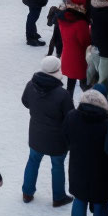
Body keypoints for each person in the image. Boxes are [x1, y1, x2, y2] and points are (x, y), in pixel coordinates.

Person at [63, 86, 108, 216]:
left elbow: (66, 137)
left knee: (80, 199)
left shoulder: (72, 116)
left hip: (78, 167)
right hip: (101, 169)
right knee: (100, 202)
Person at [21, 55, 73, 206]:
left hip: (36, 133)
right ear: (57, 71)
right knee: (57, 165)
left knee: (33, 161)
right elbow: (70, 117)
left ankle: (27, 193)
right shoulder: (62, 94)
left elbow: (25, 102)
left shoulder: (31, 85)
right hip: (57, 139)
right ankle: (58, 197)